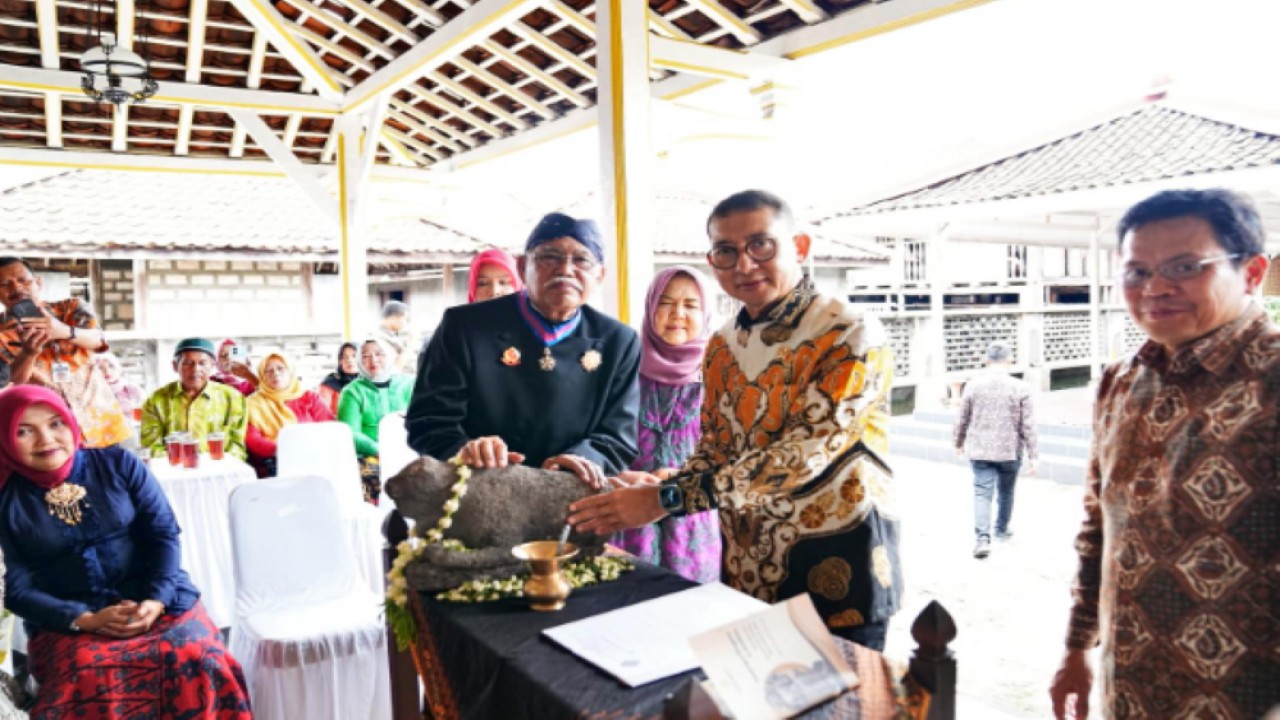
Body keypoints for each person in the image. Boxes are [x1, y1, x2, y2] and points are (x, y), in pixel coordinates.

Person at [567, 190, 900, 650]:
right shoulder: (723, 346)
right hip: (746, 567)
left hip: (836, 564)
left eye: (760, 245)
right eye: (726, 252)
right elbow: (716, 448)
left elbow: (807, 454)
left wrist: (666, 497)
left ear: (799, 247)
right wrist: (650, 490)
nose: (744, 265)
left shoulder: (850, 331)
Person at [1049, 189, 1280, 720]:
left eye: (1183, 266)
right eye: (1136, 273)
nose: (1154, 288)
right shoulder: (1124, 381)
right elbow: (1097, 528)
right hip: (1127, 689)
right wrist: (1076, 647)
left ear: (1252, 272)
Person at [0, 385, 252, 718]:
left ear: (71, 423)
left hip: (157, 600)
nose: (46, 439)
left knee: (198, 654)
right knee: (84, 676)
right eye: (23, 430)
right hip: (70, 619)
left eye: (55, 423)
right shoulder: (8, 499)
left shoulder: (117, 464)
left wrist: (155, 600)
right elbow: (18, 591)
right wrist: (85, 620)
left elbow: (162, 533)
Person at [407, 212, 640, 489]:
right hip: (476, 491)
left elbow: (618, 434)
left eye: (581, 260)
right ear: (521, 266)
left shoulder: (619, 341)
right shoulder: (464, 327)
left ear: (599, 275)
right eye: (549, 256)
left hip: (568, 496)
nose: (565, 269)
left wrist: (580, 458)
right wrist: (464, 450)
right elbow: (428, 420)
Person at [612, 267, 722, 583]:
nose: (677, 314)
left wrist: (680, 477)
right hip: (629, 518)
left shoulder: (720, 378)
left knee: (688, 614)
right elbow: (604, 442)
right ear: (650, 308)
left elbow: (734, 462)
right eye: (666, 302)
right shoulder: (623, 372)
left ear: (706, 314)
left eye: (690, 305)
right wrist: (622, 474)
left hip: (692, 525)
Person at [0, 257, 130, 448]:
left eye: (23, 280)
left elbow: (99, 340)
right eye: (4, 284)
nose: (16, 288)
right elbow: (10, 386)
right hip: (52, 441)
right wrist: (28, 355)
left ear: (38, 283)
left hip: (105, 425)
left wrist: (64, 331)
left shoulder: (71, 308)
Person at [952, 340, 1038, 559]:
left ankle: (982, 539)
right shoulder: (1021, 387)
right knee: (1007, 491)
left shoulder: (973, 385)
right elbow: (1028, 425)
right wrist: (1033, 456)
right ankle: (1001, 529)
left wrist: (958, 442)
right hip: (1010, 451)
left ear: (986, 360)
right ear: (1009, 360)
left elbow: (962, 418)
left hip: (980, 450)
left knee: (982, 493)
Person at [140, 338, 248, 460]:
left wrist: (215, 467)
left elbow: (237, 446)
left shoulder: (233, 399)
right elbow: (152, 447)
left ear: (212, 366)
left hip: (220, 471)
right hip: (173, 471)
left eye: (202, 363)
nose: (195, 369)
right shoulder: (156, 401)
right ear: (175, 366)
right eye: (188, 363)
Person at [338, 338, 413, 503]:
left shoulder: (408, 384)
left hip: (409, 449)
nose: (373, 360)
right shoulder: (352, 392)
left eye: (379, 354)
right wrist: (378, 449)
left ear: (390, 356)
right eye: (365, 356)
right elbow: (350, 432)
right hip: (371, 454)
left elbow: (423, 418)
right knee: (372, 478)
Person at [246, 352, 335, 477]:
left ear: (290, 371)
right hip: (274, 461)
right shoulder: (253, 403)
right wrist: (284, 449)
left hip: (312, 456)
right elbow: (252, 439)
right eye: (268, 371)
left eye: (280, 368)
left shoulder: (309, 397)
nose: (275, 374)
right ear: (261, 376)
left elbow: (330, 427)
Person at [93, 352, 144, 419]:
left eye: (111, 366)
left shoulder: (131, 389)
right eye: (100, 368)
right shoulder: (92, 393)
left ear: (117, 368)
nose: (107, 371)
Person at [317, 342, 360, 415]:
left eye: (354, 356)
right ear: (340, 361)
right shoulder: (330, 383)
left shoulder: (368, 383)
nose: (349, 360)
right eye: (344, 357)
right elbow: (321, 413)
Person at [377, 301, 417, 374]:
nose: (405, 323)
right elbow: (396, 367)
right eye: (405, 319)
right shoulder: (379, 338)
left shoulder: (395, 334)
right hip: (399, 382)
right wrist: (411, 344)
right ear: (393, 318)